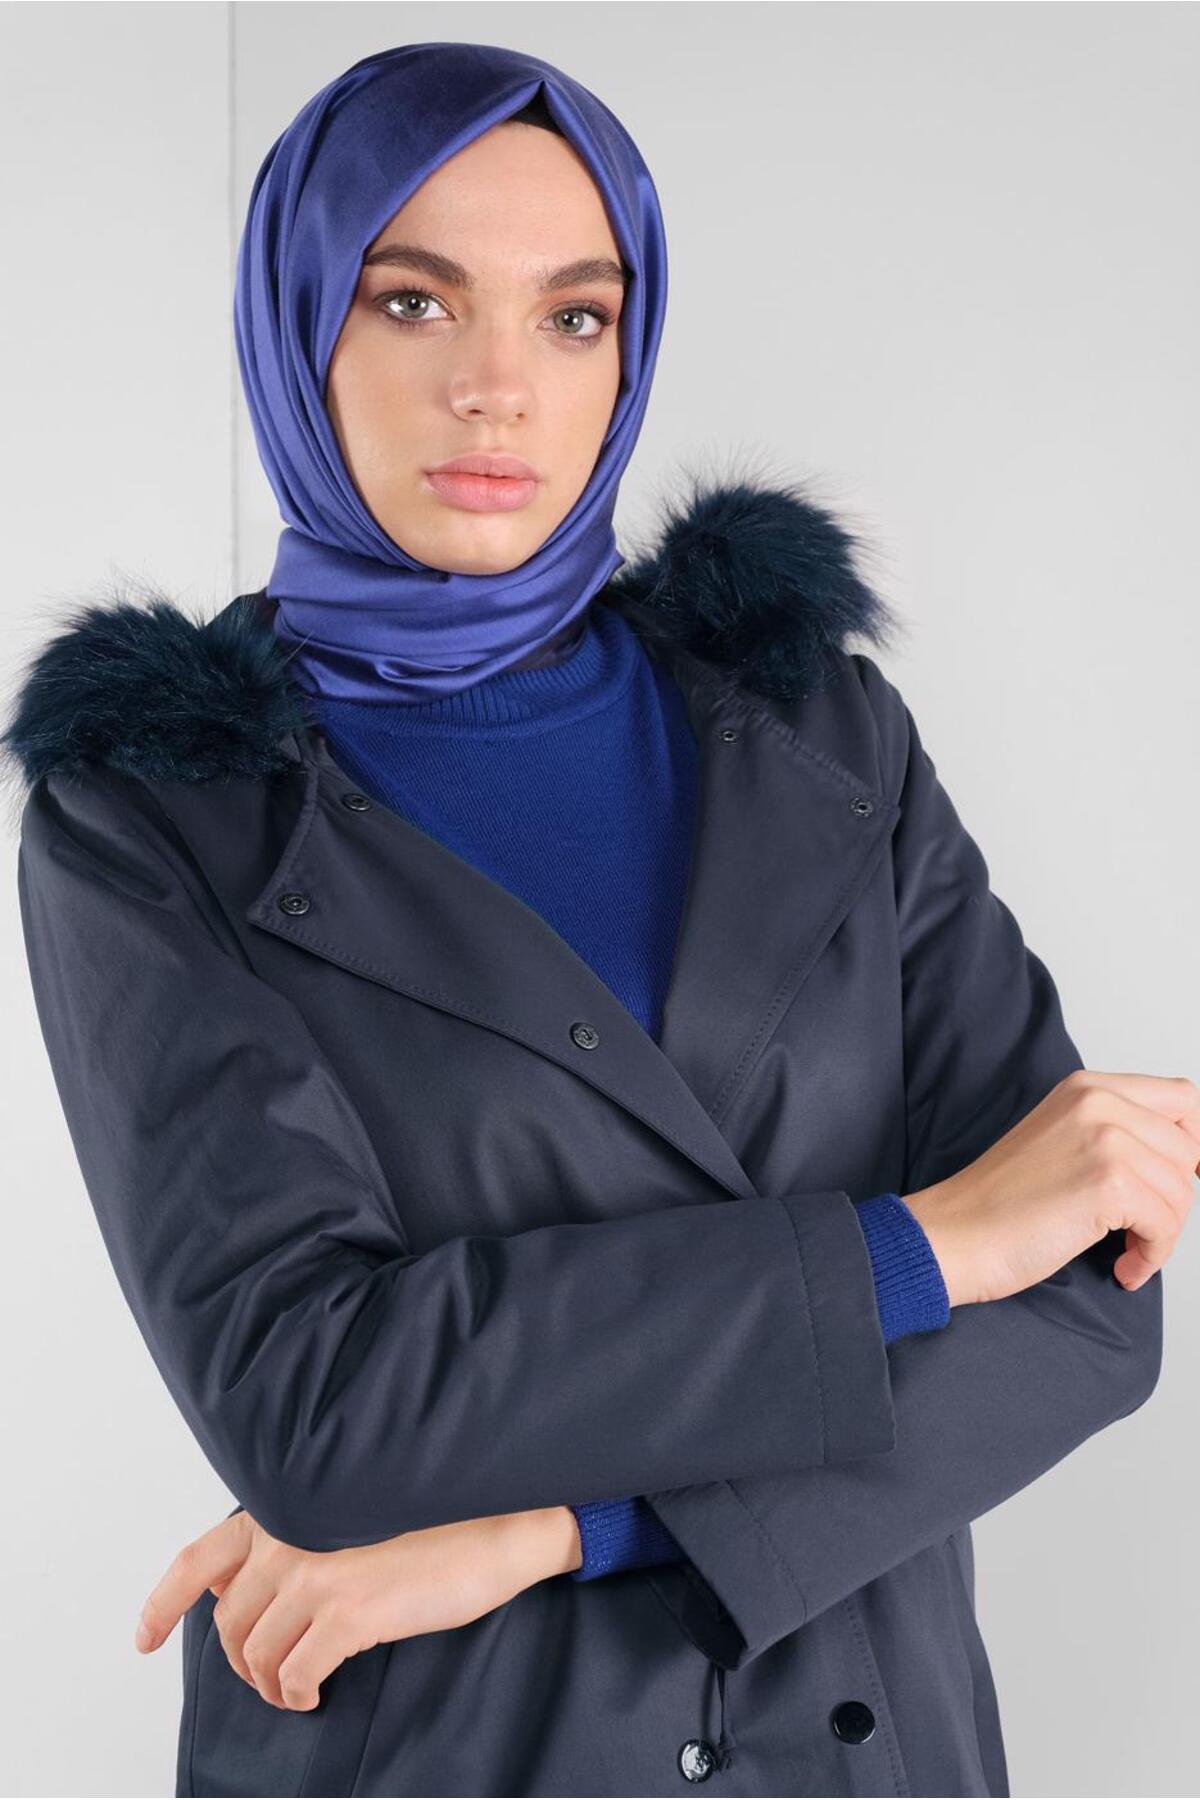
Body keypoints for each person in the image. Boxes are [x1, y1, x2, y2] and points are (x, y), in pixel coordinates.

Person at [1, 40, 1190, 1800]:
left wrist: (557, 1528)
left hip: (865, 1746)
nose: (497, 387)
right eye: (414, 301)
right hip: (452, 1754)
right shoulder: (157, 806)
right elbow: (317, 1399)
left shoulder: (815, 725)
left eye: (573, 317)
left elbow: (1089, 1304)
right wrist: (922, 1251)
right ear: (297, 325)